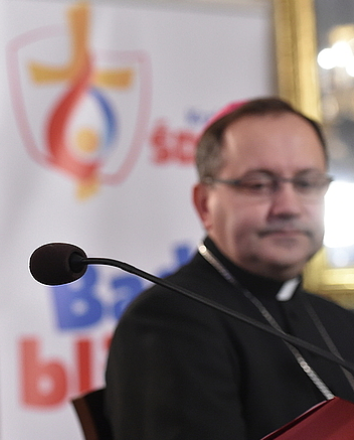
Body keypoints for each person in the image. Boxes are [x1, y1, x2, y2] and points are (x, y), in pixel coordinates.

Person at [105, 97, 354, 440]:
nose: (289, 206)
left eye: (306, 183)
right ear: (205, 204)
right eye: (258, 184)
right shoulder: (167, 322)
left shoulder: (338, 320)